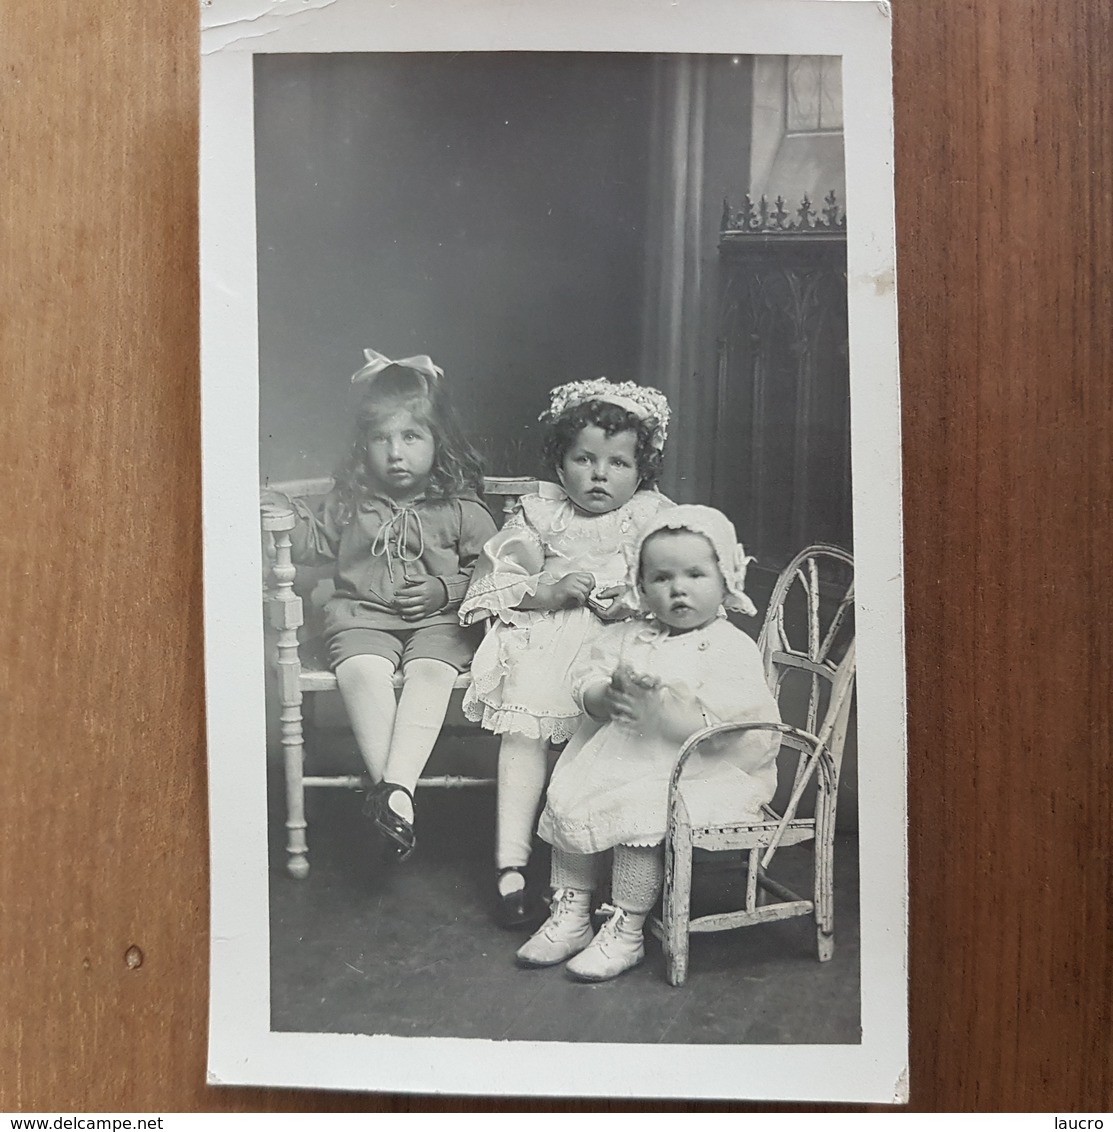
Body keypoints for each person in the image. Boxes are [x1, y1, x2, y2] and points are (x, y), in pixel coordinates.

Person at [516, 505, 781, 981]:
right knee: (570, 793)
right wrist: (607, 693)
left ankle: (626, 926)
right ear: (640, 585)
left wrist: (661, 711)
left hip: (702, 767)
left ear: (726, 577)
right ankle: (572, 913)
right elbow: (586, 677)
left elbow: (732, 724)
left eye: (696, 574)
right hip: (622, 753)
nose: (677, 588)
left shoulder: (728, 646)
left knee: (639, 813)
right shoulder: (628, 635)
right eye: (660, 577)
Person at [263, 350, 497, 862]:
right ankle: (399, 797)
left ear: (439, 442)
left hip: (437, 621)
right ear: (362, 445)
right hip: (362, 619)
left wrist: (447, 590)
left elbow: (494, 571)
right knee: (363, 671)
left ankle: (392, 795)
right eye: (381, 438)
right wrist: (286, 513)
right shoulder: (351, 502)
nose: (395, 452)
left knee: (432, 671)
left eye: (411, 437)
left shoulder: (460, 507)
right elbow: (313, 544)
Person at [459, 379, 674, 928]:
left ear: (641, 471)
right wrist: (549, 592)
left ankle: (598, 873)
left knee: (616, 739)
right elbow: (494, 581)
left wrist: (631, 603)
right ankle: (511, 865)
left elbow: (676, 582)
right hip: (551, 637)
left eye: (619, 463)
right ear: (560, 466)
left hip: (620, 642)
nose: (600, 475)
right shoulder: (540, 515)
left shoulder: (652, 516)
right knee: (525, 727)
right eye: (585, 458)